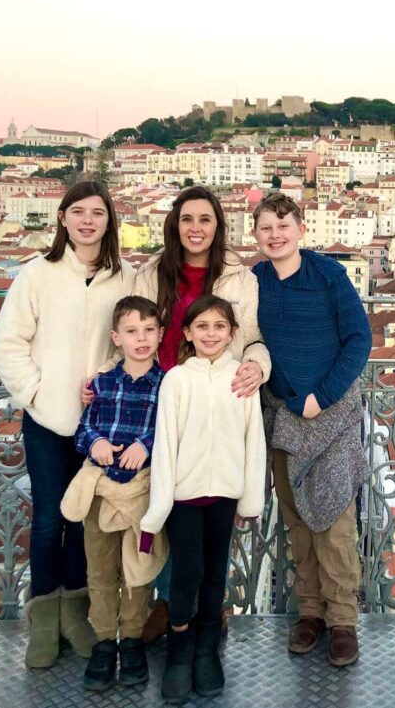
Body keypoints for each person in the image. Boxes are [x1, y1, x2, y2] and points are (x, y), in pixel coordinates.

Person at [0, 180, 135, 669]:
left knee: (85, 522)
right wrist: (36, 393)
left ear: (109, 221)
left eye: (98, 212)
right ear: (62, 219)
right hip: (49, 420)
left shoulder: (125, 276)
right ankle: (44, 620)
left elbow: (134, 340)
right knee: (50, 519)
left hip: (100, 425)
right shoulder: (38, 274)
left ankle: (78, 615)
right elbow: (8, 343)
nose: (88, 220)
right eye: (79, 212)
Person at [128, 185, 270, 642]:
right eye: (187, 219)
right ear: (175, 224)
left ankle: (193, 605)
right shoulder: (152, 272)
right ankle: (169, 600)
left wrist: (257, 367)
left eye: (205, 219)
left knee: (207, 502)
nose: (195, 228)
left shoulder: (239, 278)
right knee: (166, 495)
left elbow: (251, 339)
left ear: (217, 226)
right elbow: (137, 331)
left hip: (215, 397)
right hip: (164, 393)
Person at [250, 192, 372, 667]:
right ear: (255, 234)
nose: (275, 235)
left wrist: (322, 396)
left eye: (283, 225)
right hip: (282, 415)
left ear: (300, 228)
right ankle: (310, 614)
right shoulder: (255, 280)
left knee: (335, 521)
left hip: (331, 412)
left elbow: (358, 337)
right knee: (297, 520)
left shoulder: (328, 274)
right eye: (265, 228)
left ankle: (343, 621)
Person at [140, 295, 266, 704]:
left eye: (219, 327)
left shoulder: (241, 378)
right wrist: (158, 508)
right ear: (189, 334)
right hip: (184, 496)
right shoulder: (176, 379)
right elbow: (165, 446)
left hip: (225, 493)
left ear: (231, 334)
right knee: (186, 573)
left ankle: (208, 647)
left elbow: (254, 442)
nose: (211, 334)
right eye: (203, 327)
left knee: (215, 574)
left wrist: (251, 500)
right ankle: (180, 648)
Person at [59, 296, 169, 691]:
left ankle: (134, 639)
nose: (141, 339)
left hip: (142, 492)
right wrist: (96, 443)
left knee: (139, 570)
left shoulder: (167, 383)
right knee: (101, 570)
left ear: (160, 334)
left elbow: (173, 430)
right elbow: (83, 429)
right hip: (101, 491)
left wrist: (146, 443)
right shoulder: (101, 384)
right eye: (131, 331)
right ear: (116, 338)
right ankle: (106, 640)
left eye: (149, 330)